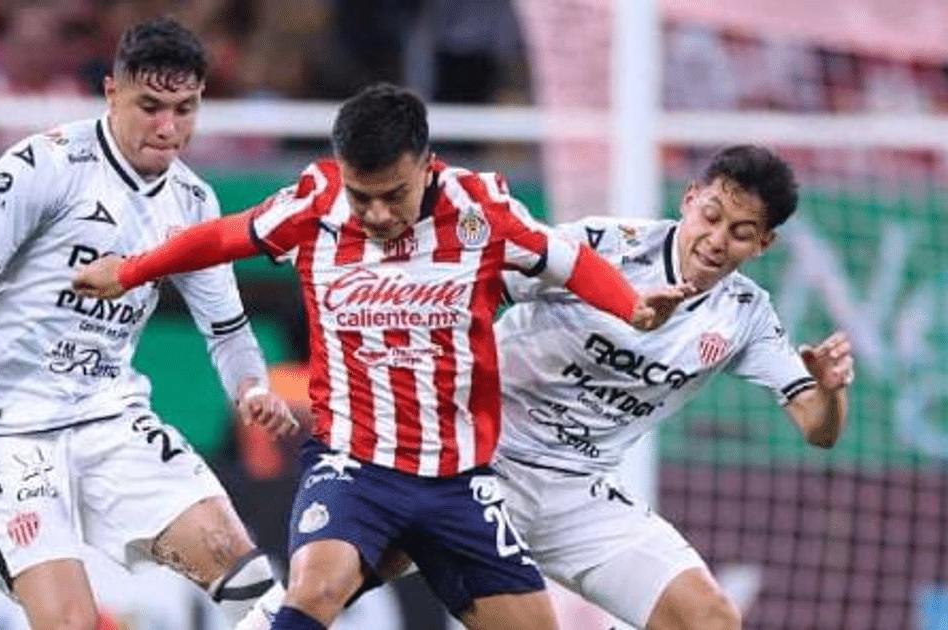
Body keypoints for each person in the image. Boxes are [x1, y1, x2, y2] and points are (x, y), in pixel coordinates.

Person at [71, 83, 693, 630]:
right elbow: (223, 236)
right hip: (354, 466)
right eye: (360, 194)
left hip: (459, 483)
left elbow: (569, 260)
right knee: (315, 587)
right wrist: (130, 270)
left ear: (426, 164)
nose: (373, 213)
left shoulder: (482, 212)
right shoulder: (315, 203)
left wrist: (630, 306)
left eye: (391, 195)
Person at [0, 18, 294, 630]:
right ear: (112, 92)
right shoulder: (47, 165)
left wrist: (251, 388)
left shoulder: (193, 203)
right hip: (6, 432)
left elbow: (227, 330)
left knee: (251, 585)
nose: (168, 128)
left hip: (109, 416)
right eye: (151, 106)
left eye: (185, 109)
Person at [491, 144, 854, 630]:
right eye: (711, 216)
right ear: (689, 200)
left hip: (578, 493)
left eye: (741, 233)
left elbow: (818, 429)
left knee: (712, 620)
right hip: (480, 462)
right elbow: (479, 291)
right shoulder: (602, 243)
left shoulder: (746, 314)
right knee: (354, 567)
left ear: (763, 244)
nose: (717, 240)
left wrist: (830, 392)